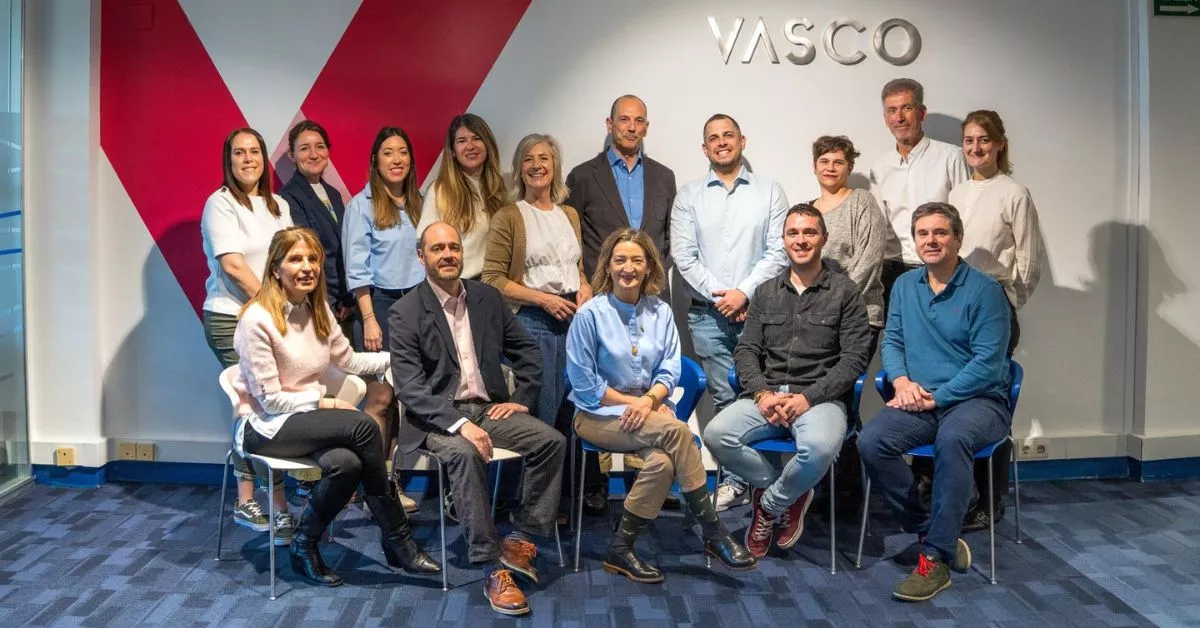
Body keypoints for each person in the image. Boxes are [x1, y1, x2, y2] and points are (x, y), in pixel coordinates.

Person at [231, 227, 440, 587]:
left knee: (348, 463)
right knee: (362, 427)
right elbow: (269, 400)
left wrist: (403, 360)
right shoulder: (256, 320)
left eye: (313, 258)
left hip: (305, 420)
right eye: (296, 259)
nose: (307, 267)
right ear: (275, 268)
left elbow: (352, 361)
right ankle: (398, 540)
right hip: (265, 426)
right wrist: (323, 400)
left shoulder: (319, 311)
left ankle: (304, 543)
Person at [391, 221, 566, 616]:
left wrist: (522, 398)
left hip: (488, 409)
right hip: (437, 419)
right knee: (465, 454)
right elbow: (410, 388)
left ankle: (520, 537)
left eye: (453, 247)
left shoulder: (487, 297)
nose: (448, 254)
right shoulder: (405, 311)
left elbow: (528, 351)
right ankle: (490, 566)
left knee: (551, 442)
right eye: (438, 249)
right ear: (422, 257)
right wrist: (459, 424)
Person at [567, 229, 756, 581]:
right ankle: (713, 531)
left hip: (649, 414)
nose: (628, 267)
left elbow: (670, 367)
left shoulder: (661, 311)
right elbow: (584, 383)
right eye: (620, 259)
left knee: (662, 462)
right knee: (679, 431)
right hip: (596, 416)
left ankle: (620, 548)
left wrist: (652, 400)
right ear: (607, 266)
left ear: (649, 266)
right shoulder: (589, 315)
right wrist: (638, 403)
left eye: (637, 260)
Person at [857, 203, 1012, 603]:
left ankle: (934, 558)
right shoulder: (906, 286)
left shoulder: (986, 291)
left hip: (979, 402)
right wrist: (903, 381)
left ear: (958, 238)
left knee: (953, 439)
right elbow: (892, 341)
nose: (931, 240)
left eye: (940, 233)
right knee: (871, 441)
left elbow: (988, 364)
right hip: (922, 399)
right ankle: (933, 530)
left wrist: (936, 398)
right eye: (923, 233)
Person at [703, 205, 871, 559]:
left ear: (823, 238)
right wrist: (762, 394)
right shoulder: (765, 292)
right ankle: (785, 492)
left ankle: (772, 505)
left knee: (821, 449)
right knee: (717, 435)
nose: (801, 240)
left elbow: (854, 359)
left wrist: (807, 398)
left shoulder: (845, 292)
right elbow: (746, 350)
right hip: (767, 396)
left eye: (809, 232)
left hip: (820, 399)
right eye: (793, 233)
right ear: (783, 241)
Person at [565, 94, 678, 515]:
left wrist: (650, 278)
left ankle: (643, 482)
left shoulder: (664, 177)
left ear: (646, 127)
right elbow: (571, 239)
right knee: (601, 383)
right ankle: (593, 488)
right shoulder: (582, 176)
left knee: (642, 378)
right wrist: (583, 282)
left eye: (639, 121)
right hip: (602, 296)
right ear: (609, 124)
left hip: (647, 297)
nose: (631, 128)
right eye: (623, 120)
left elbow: (667, 239)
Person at [670, 113, 788, 511]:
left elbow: (779, 250)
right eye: (713, 138)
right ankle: (741, 481)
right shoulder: (688, 195)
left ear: (742, 141)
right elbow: (683, 256)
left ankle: (769, 485)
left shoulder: (770, 191)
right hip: (707, 314)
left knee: (763, 395)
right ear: (705, 148)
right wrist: (724, 297)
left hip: (761, 312)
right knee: (724, 397)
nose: (721, 142)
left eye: (728, 136)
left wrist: (744, 293)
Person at [482, 133, 592, 494]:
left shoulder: (569, 214)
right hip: (532, 324)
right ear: (519, 169)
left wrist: (584, 285)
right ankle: (525, 505)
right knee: (538, 416)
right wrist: (544, 300)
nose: (536, 165)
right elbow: (493, 279)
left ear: (554, 166)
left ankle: (558, 502)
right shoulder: (509, 216)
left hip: (572, 323)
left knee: (568, 414)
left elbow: (572, 266)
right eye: (528, 159)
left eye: (544, 158)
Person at [949, 109, 1043, 531]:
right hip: (955, 308)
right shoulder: (957, 192)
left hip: (994, 308)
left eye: (983, 140)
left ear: (1000, 143)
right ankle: (954, 494)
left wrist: (1007, 303)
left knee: (990, 401)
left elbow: (1029, 261)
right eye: (969, 140)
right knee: (953, 399)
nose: (975, 148)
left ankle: (991, 501)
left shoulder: (1014, 192)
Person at [200, 127, 293, 541]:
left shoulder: (278, 206)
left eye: (254, 151)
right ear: (229, 159)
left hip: (270, 321)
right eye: (239, 153)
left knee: (271, 405)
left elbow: (289, 260)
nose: (248, 159)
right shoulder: (220, 204)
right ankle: (248, 499)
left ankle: (276, 503)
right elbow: (234, 268)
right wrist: (276, 306)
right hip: (231, 320)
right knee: (253, 406)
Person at [342, 126, 424, 463]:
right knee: (380, 398)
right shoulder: (362, 206)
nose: (397, 159)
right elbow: (357, 268)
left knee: (412, 398)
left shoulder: (421, 202)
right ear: (375, 160)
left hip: (418, 306)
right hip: (380, 308)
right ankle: (373, 486)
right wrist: (370, 320)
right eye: (388, 152)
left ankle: (393, 481)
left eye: (403, 152)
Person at [868, 78, 970, 303]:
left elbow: (966, 218)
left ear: (922, 113)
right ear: (885, 118)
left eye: (907, 108)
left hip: (941, 268)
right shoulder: (880, 168)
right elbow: (879, 229)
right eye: (892, 110)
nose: (899, 118)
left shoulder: (951, 157)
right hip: (893, 272)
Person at [810, 135, 888, 353]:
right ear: (814, 167)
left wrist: (833, 304)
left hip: (857, 314)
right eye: (824, 161)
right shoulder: (807, 211)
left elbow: (869, 262)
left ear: (850, 167)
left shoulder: (862, 201)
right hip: (814, 317)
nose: (830, 168)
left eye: (839, 162)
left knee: (841, 385)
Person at [417, 113, 509, 280]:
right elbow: (425, 242)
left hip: (496, 284)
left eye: (476, 138)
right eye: (461, 141)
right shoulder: (440, 191)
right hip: (460, 285)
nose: (470, 146)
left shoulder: (502, 188)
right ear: (452, 151)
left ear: (488, 144)